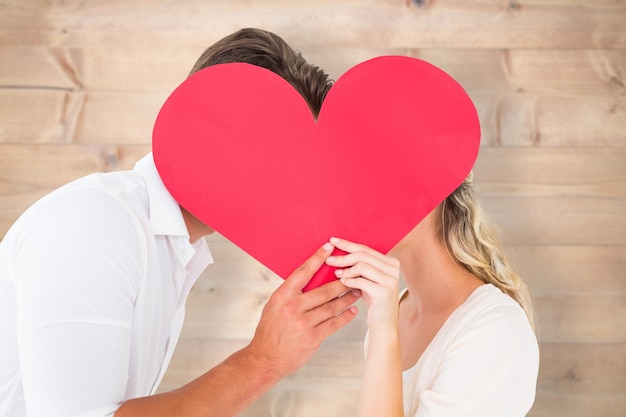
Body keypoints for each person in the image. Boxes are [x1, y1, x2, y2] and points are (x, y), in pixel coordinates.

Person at [0, 28, 360, 417]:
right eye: (276, 145)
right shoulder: (96, 222)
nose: (291, 179)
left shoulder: (171, 247)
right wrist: (265, 359)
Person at [326, 172, 540, 416]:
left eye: (374, 186)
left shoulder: (495, 327)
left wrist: (384, 332)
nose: (355, 205)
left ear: (426, 194)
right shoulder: (393, 311)